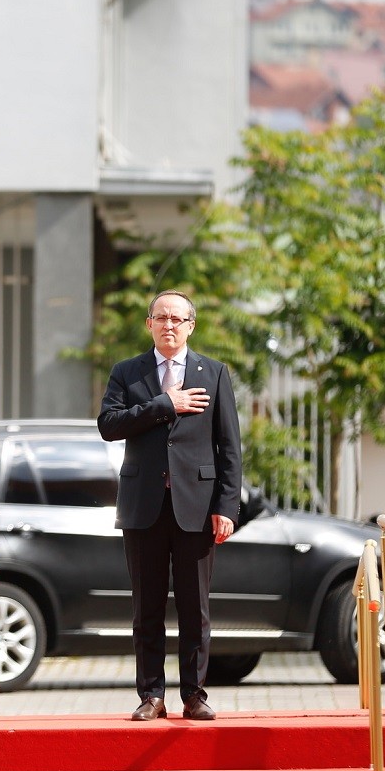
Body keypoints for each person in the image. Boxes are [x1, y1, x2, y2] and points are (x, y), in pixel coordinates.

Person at [97, 291, 243, 723]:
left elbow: (229, 448)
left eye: (177, 319)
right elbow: (109, 425)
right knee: (147, 606)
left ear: (191, 326)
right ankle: (151, 695)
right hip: (144, 505)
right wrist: (166, 404)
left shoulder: (213, 373)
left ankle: (194, 694)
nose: (169, 325)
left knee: (195, 606)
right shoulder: (128, 372)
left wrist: (227, 507)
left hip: (196, 508)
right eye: (161, 318)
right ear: (149, 325)